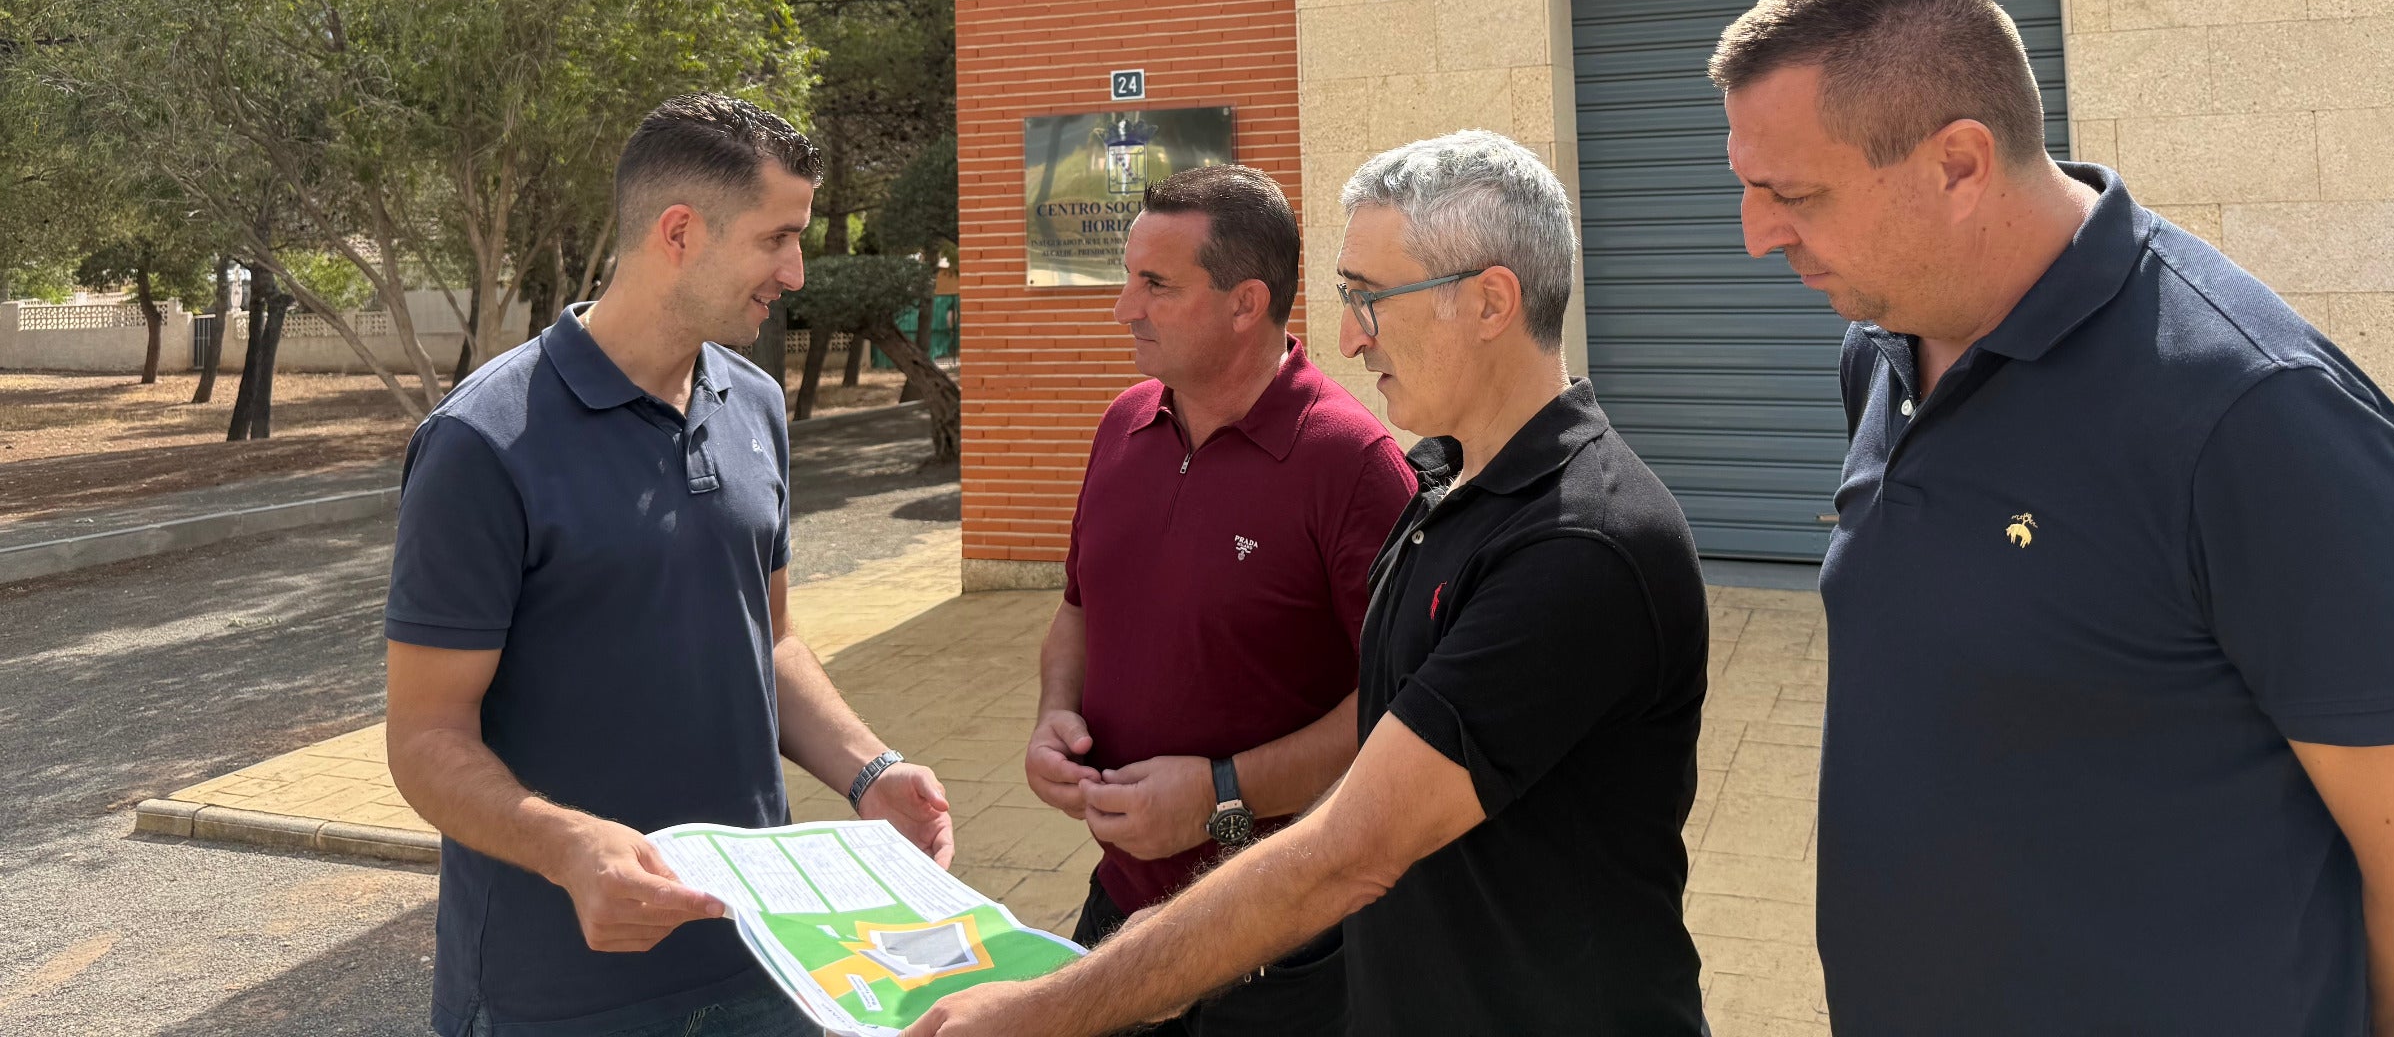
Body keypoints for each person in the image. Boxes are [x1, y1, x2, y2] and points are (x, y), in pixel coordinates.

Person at [1709, 0, 2394, 1037]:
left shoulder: (2256, 421)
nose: (1756, 236)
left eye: (1793, 195)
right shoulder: (1885, 349)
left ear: (1960, 165)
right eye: (1744, 189)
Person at [925, 129, 1709, 1037]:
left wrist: (1044, 1011)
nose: (1345, 334)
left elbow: (1349, 852)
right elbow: (1381, 758)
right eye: (1346, 297)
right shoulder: (1448, 489)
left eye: (1371, 299)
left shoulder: (1580, 542)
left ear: (1492, 301)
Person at [384, 94, 955, 1037]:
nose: (797, 271)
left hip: (768, 960)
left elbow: (767, 641)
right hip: (558, 995)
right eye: (778, 238)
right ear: (680, 231)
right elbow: (424, 739)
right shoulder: (482, 443)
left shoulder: (757, 404)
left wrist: (871, 771)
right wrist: (568, 848)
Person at [1023, 164, 1415, 1034]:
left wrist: (1221, 794)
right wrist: (1056, 714)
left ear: (1247, 302)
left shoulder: (1352, 468)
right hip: (1119, 909)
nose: (1125, 306)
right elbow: (1079, 611)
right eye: (1128, 278)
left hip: (1281, 944)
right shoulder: (1122, 425)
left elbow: (1400, 707)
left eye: (1155, 285)